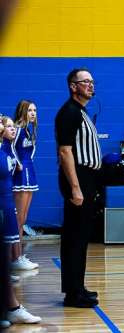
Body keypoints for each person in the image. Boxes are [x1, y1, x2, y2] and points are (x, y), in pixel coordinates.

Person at [55, 68, 101, 307]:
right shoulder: (69, 113)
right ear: (73, 86)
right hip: (78, 178)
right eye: (86, 82)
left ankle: (78, 287)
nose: (91, 85)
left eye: (92, 82)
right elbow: (65, 152)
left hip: (87, 178)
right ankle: (72, 293)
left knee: (81, 237)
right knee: (74, 237)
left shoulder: (81, 112)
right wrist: (75, 187)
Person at [0, 119, 41, 327]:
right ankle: (12, 308)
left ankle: (10, 309)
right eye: (4, 124)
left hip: (5, 207)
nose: (10, 128)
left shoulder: (5, 148)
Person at [1, 117, 38, 271]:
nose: (12, 129)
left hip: (7, 195)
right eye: (8, 126)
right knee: (13, 226)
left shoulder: (8, 148)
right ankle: (14, 259)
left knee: (14, 227)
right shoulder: (4, 149)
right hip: (4, 196)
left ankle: (14, 260)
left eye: (12, 126)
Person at [12, 101, 39, 260]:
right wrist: (18, 164)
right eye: (30, 110)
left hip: (29, 172)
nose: (33, 113)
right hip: (21, 174)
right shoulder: (18, 129)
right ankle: (15, 257)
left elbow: (31, 151)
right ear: (23, 111)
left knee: (23, 218)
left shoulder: (30, 130)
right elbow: (10, 149)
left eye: (35, 110)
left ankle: (19, 256)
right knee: (18, 218)